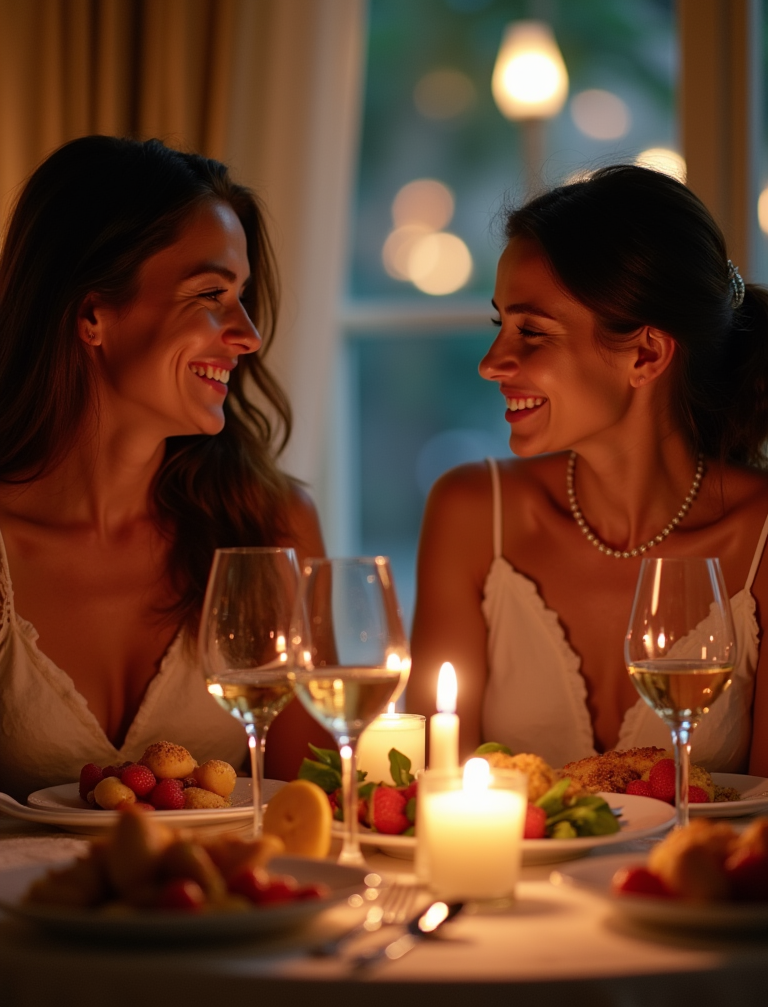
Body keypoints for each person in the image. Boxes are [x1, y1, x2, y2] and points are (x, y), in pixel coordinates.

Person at [408, 164, 768, 777]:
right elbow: (427, 786)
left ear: (646, 353)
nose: (493, 363)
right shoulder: (471, 512)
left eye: (533, 332)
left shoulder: (760, 535)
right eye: (502, 325)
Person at [0, 135, 329, 801]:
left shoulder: (270, 529)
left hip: (227, 904)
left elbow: (312, 802)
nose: (247, 335)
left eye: (242, 296)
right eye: (211, 293)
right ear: (93, 314)